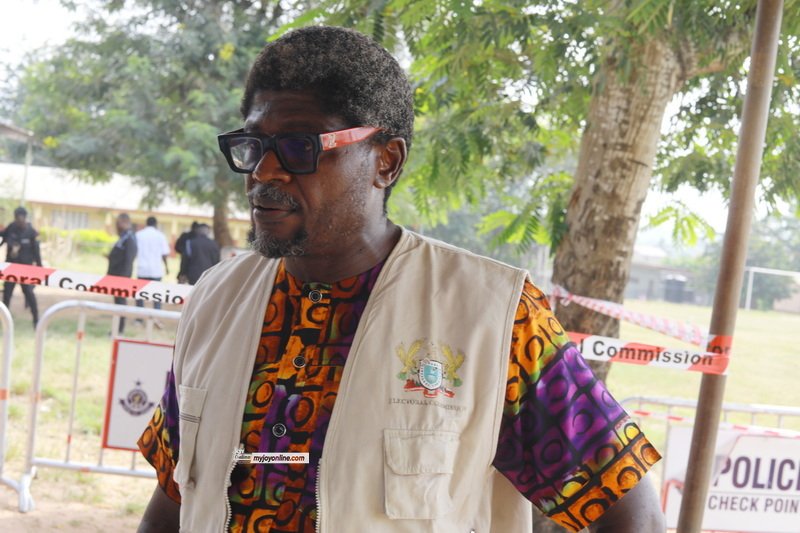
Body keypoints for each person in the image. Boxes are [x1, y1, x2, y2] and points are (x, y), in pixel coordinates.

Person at [137, 26, 665, 533]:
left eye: (299, 148)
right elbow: (174, 496)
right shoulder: (215, 299)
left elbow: (624, 506)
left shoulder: (493, 315)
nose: (263, 173)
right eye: (253, 146)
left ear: (385, 161)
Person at [0, 206, 42, 327]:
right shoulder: (11, 228)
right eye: (17, 217)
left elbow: (36, 251)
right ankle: (3, 321)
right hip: (11, 268)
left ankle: (36, 320)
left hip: (25, 269)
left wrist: (39, 268)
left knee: (29, 294)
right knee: (7, 295)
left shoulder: (31, 232)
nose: (19, 220)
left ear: (25, 217)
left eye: (21, 217)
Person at [107, 212, 137, 334]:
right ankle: (116, 328)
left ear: (125, 222)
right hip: (116, 276)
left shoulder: (130, 237)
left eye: (118, 223)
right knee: (117, 304)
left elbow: (129, 258)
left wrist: (124, 278)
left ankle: (119, 329)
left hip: (122, 277)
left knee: (121, 304)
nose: (117, 226)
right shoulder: (124, 236)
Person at [135, 216, 170, 310]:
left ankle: (139, 317)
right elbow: (164, 254)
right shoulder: (161, 236)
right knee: (157, 294)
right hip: (156, 270)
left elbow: (134, 252)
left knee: (140, 295)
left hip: (142, 269)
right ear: (156, 224)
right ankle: (156, 315)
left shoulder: (138, 235)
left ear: (146, 223)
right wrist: (167, 267)